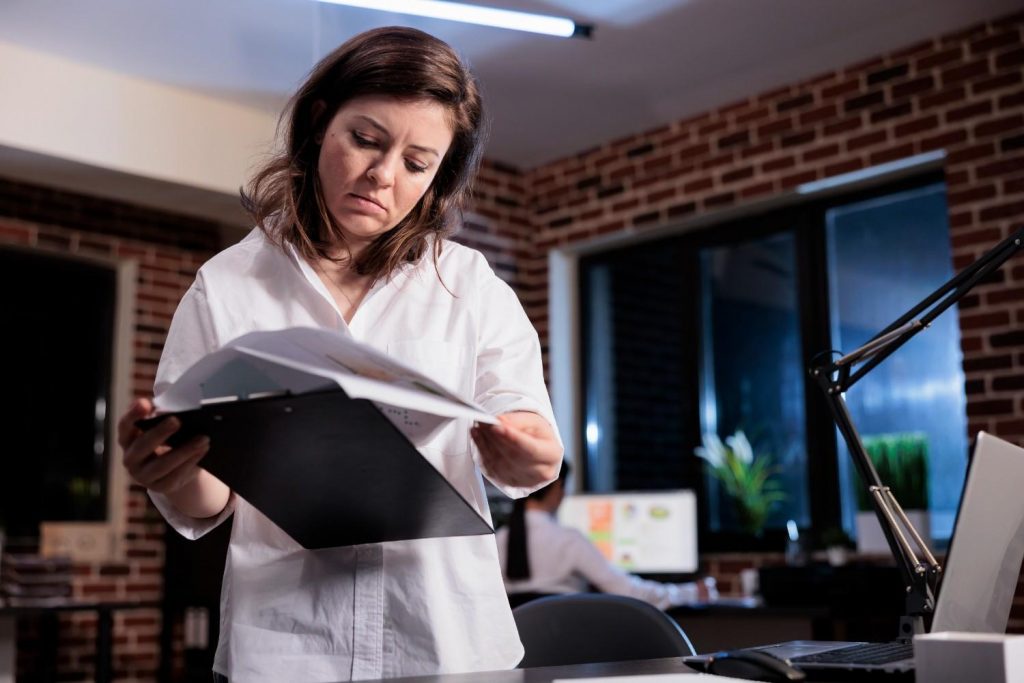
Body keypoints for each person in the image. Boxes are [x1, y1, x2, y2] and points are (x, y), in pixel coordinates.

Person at [116, 26, 563, 682]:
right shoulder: (227, 284)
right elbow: (207, 501)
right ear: (321, 121)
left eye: (417, 163)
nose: (382, 176)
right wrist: (170, 467)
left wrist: (531, 455)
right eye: (366, 139)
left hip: (448, 645)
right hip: (286, 648)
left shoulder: (468, 285)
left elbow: (534, 450)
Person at [497, 461, 717, 609]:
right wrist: (689, 592)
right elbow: (628, 591)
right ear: (558, 487)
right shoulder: (568, 541)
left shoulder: (499, 539)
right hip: (567, 652)